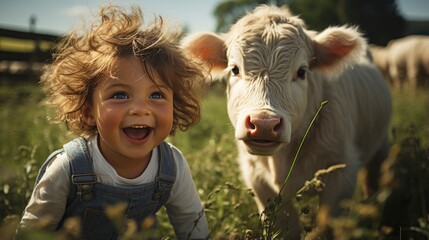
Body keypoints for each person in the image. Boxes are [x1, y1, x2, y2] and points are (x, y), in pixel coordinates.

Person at [17, 4, 209, 239]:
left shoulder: (172, 166)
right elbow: (33, 231)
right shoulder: (69, 167)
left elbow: (191, 223)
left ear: (174, 104)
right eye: (120, 95)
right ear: (89, 112)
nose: (140, 109)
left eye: (156, 95)